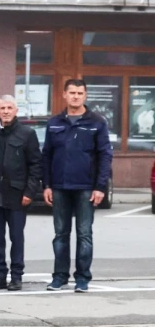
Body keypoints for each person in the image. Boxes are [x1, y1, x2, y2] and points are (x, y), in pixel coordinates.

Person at [43, 78, 112, 292]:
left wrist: (100, 187)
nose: (75, 96)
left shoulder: (97, 122)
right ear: (64, 94)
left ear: (85, 95)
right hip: (60, 187)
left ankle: (82, 278)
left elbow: (105, 155)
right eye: (72, 92)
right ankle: (59, 277)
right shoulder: (54, 122)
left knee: (84, 234)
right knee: (60, 235)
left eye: (80, 93)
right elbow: (46, 156)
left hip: (86, 188)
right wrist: (46, 185)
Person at [0, 95, 42, 291]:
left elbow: (35, 165)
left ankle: (16, 276)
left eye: (9, 108)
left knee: (16, 237)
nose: (6, 111)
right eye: (2, 108)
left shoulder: (27, 134)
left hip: (17, 194)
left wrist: (30, 192)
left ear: (16, 111)